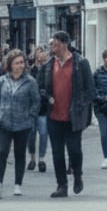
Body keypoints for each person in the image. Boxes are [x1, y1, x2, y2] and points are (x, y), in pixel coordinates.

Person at [44, 31, 95, 197]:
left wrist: (81, 104)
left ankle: (78, 175)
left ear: (64, 44)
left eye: (55, 44)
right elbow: (41, 87)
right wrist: (46, 97)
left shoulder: (81, 63)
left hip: (74, 116)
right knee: (57, 152)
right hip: (54, 116)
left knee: (74, 150)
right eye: (52, 44)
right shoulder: (48, 65)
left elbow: (91, 90)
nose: (52, 47)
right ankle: (62, 186)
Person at [0, 50, 39, 197]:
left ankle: (18, 184)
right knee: (1, 152)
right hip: (3, 122)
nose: (20, 66)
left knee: (19, 153)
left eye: (22, 62)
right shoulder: (2, 80)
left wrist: (30, 116)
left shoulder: (30, 82)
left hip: (23, 123)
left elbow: (36, 101)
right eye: (17, 63)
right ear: (10, 64)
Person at [27, 45, 51, 173]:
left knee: (43, 133)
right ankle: (32, 158)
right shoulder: (31, 70)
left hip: (44, 108)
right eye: (39, 52)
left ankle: (42, 159)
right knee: (31, 134)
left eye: (44, 53)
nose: (41, 55)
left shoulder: (49, 70)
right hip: (31, 108)